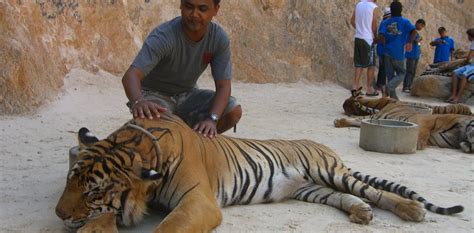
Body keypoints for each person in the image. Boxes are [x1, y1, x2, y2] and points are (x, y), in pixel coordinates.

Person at [122, 0, 242, 139]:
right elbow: (131, 76)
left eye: (202, 9)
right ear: (181, 5)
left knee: (233, 111)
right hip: (153, 95)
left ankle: (194, 145)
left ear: (216, 10)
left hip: (187, 94)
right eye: (189, 7)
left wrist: (212, 119)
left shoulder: (219, 39)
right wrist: (139, 101)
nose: (194, 14)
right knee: (159, 126)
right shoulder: (164, 36)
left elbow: (223, 86)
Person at [378, 1, 417, 100]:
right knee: (402, 73)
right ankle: (388, 87)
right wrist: (409, 42)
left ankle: (393, 99)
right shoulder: (405, 21)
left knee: (390, 76)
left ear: (391, 10)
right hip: (398, 53)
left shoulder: (386, 22)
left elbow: (381, 36)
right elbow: (414, 31)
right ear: (401, 10)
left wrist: (385, 44)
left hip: (387, 52)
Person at [351, 0, 380, 96]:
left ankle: (355, 86)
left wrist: (360, 29)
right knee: (371, 65)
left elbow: (352, 21)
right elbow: (374, 25)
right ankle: (369, 89)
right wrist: (375, 37)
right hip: (368, 39)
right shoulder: (373, 7)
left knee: (358, 64)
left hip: (358, 37)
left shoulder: (359, 4)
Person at [446, 28, 474, 104]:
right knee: (455, 72)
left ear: (470, 36)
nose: (468, 38)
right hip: (471, 65)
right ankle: (453, 95)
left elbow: (469, 57)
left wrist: (463, 60)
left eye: (468, 36)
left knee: (465, 75)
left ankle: (458, 97)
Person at [402, 19, 426, 93]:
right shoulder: (412, 30)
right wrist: (419, 39)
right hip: (411, 54)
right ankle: (406, 86)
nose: (421, 28)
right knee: (409, 71)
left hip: (416, 54)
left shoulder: (416, 32)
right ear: (418, 23)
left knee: (413, 72)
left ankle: (410, 86)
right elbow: (415, 40)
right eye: (421, 26)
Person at [375, 7, 391, 95]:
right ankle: (380, 85)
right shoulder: (385, 23)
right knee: (383, 68)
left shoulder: (384, 22)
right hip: (383, 49)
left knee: (383, 68)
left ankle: (381, 85)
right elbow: (381, 35)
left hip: (382, 49)